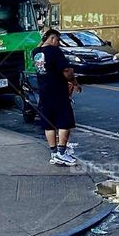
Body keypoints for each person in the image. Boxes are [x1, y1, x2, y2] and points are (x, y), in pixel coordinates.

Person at [32, 28, 80, 166]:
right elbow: (66, 71)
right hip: (58, 92)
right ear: (52, 39)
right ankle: (62, 153)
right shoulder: (55, 51)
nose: (59, 43)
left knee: (49, 124)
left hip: (44, 92)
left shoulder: (36, 52)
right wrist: (74, 82)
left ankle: (54, 153)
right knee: (65, 122)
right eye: (58, 40)